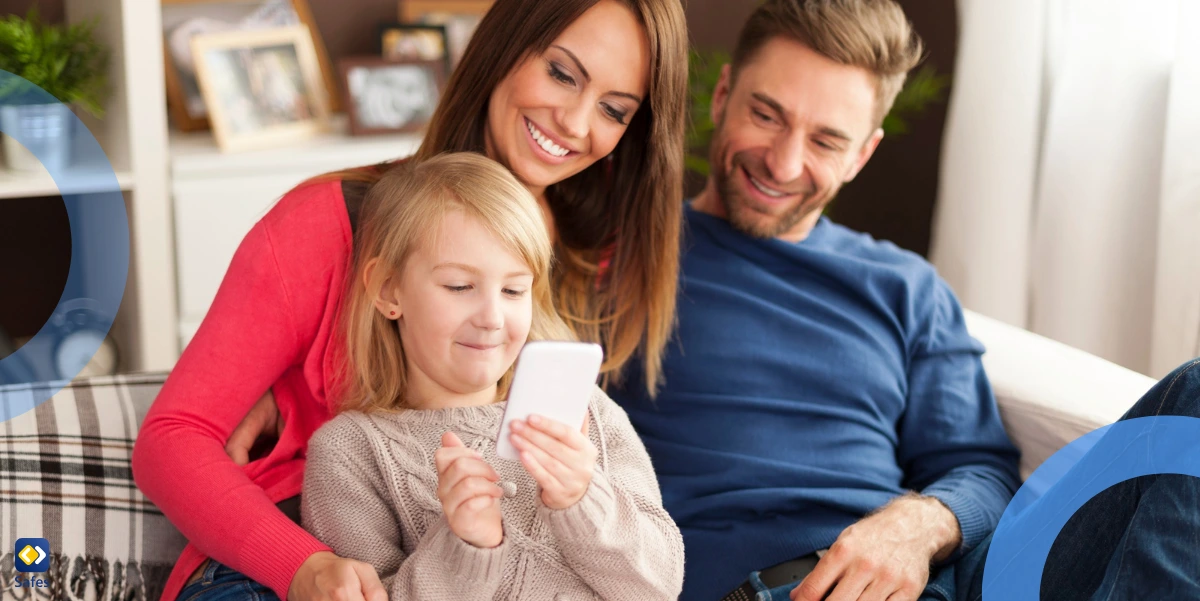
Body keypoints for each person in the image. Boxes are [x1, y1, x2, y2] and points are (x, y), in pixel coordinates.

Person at [611, 2, 1200, 601]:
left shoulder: (905, 286)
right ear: (723, 95)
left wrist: (916, 527)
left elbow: (982, 469)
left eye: (826, 140)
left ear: (862, 154)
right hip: (782, 586)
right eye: (766, 115)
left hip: (955, 579)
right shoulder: (621, 257)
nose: (784, 162)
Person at [130, 1, 688, 600]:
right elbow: (173, 437)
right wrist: (303, 565)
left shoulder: (591, 250)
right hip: (289, 557)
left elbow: (621, 521)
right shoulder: (328, 221)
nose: (577, 123)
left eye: (613, 109)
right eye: (560, 72)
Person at [300, 153, 684, 601]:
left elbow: (660, 586)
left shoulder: (589, 413)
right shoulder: (352, 453)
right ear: (388, 289)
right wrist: (465, 546)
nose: (491, 317)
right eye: (460, 287)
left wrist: (583, 497)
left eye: (513, 290)